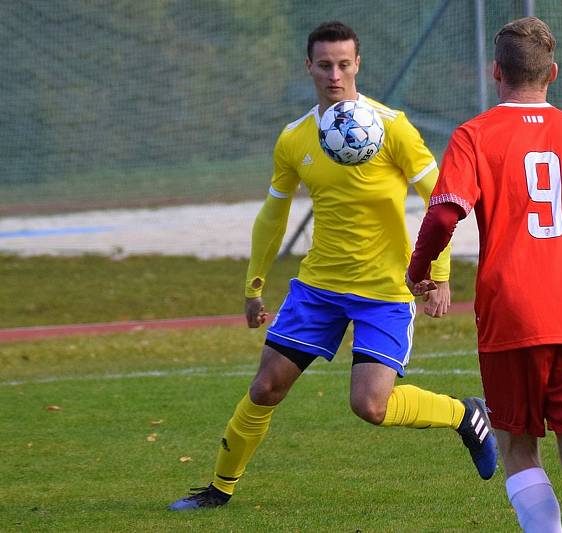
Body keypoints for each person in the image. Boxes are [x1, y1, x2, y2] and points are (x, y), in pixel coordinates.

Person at [168, 20, 497, 511]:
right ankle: (218, 489)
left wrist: (439, 274)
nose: (335, 75)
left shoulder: (394, 128)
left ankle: (464, 414)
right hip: (318, 288)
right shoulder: (295, 139)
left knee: (370, 406)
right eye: (324, 65)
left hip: (385, 290)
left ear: (358, 64)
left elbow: (441, 199)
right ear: (309, 68)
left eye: (344, 64)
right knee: (265, 387)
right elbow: (273, 214)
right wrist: (254, 285)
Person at [406, 17, 562, 533]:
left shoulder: (475, 135)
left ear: (497, 71)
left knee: (518, 444)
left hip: (511, 313)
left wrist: (419, 269)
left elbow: (446, 213)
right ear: (552, 73)